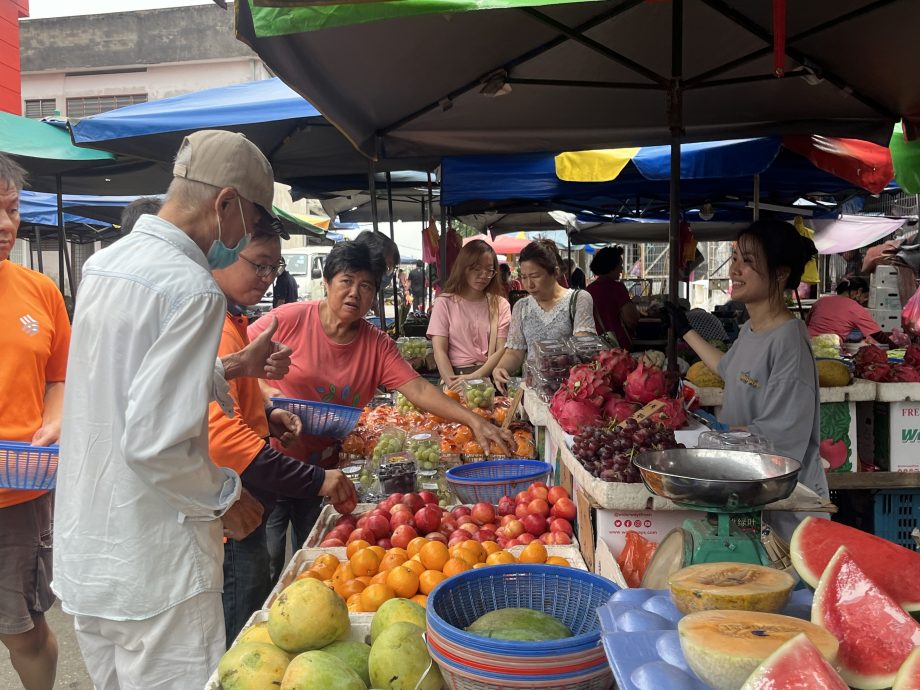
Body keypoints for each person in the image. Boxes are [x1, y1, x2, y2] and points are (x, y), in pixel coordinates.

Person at [54, 130, 294, 688]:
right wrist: (224, 500)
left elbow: (121, 389)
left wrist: (233, 369)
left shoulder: (104, 265)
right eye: (253, 225)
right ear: (227, 204)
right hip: (155, 567)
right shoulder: (192, 288)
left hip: (92, 555)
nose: (246, 241)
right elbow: (156, 443)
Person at [249, 241, 512, 580]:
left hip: (328, 470)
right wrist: (268, 396)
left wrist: (473, 420)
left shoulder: (376, 344)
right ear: (327, 283)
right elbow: (236, 361)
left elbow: (417, 389)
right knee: (266, 560)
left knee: (318, 559)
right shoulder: (288, 320)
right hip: (273, 462)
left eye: (366, 286)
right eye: (346, 281)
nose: (354, 293)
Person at [208, 227, 356, 642]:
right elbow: (221, 436)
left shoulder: (232, 320)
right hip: (231, 510)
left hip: (245, 500)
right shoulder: (216, 326)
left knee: (256, 595)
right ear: (221, 254)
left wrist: (267, 414)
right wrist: (316, 479)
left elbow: (229, 400)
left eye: (275, 267)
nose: (268, 276)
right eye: (258, 264)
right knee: (241, 626)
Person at [665, 219, 827, 540]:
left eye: (748, 262)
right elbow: (729, 368)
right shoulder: (751, 329)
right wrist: (685, 329)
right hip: (746, 491)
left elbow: (780, 436)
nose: (734, 269)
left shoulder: (789, 341)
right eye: (735, 258)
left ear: (780, 274)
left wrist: (714, 437)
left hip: (783, 510)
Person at [0, 153, 70, 690]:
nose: (6, 225)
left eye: (12, 209)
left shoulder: (40, 291)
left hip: (17, 494)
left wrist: (54, 420)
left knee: (22, 630)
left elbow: (60, 378)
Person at [493, 239, 597, 389]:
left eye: (535, 276)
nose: (529, 284)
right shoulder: (521, 307)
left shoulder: (579, 299)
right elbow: (515, 352)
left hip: (571, 392)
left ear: (555, 272)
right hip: (533, 394)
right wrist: (501, 368)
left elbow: (583, 348)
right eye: (524, 277)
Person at [427, 240, 512, 391]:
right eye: (476, 269)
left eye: (489, 270)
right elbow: (439, 350)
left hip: (487, 378)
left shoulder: (500, 304)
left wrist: (475, 377)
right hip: (454, 375)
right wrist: (451, 383)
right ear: (463, 268)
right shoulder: (444, 303)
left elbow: (501, 350)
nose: (484, 275)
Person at [806, 276, 887, 344]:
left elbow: (807, 324)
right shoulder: (855, 308)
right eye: (865, 296)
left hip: (806, 345)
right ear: (859, 292)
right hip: (828, 349)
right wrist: (895, 347)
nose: (864, 301)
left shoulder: (821, 301)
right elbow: (877, 335)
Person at [586, 246, 639, 349]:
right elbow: (631, 319)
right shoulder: (617, 288)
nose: (622, 269)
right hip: (619, 345)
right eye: (620, 265)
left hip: (597, 345)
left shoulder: (589, 290)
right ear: (611, 267)